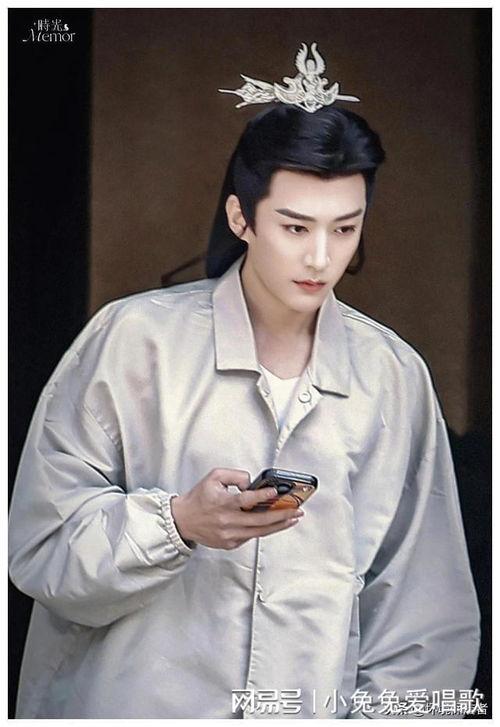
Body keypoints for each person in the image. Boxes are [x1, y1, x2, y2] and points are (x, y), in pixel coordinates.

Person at [9, 44, 480, 719]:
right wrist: (178, 522)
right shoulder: (133, 342)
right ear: (241, 217)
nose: (321, 257)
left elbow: (424, 618)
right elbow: (40, 546)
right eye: (294, 226)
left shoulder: (392, 377)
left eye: (345, 228)